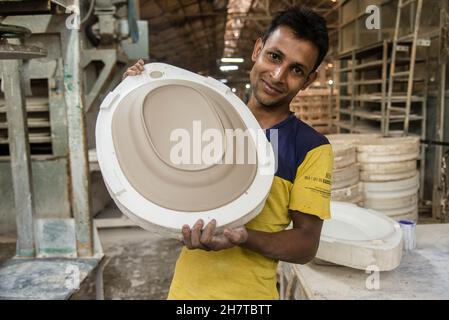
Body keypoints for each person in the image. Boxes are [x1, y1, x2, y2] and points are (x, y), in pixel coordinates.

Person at [123, 5, 333, 300]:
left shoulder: (310, 148)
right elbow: (153, 159)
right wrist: (136, 88)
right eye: (274, 56)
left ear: (308, 80)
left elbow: (306, 244)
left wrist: (243, 238)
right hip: (185, 294)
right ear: (257, 49)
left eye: (296, 70)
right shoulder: (208, 118)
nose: (277, 75)